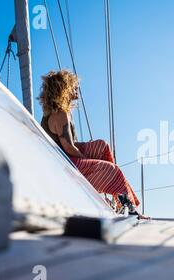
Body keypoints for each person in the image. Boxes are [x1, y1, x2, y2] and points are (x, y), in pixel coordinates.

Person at [38, 70, 148, 220]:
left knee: (102, 146)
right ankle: (128, 208)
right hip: (64, 163)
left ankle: (118, 198)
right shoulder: (60, 114)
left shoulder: (60, 112)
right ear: (64, 88)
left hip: (65, 156)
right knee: (113, 170)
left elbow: (67, 145)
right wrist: (86, 158)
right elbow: (69, 147)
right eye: (74, 86)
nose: (77, 89)